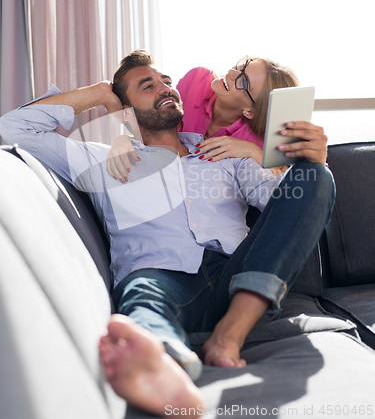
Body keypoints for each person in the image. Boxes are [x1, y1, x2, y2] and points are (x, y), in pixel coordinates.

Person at [0, 49, 334, 417]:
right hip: (159, 277)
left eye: (167, 82)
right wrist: (98, 93)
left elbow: (285, 207)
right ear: (124, 106)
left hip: (234, 278)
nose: (165, 88)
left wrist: (302, 160)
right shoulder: (99, 160)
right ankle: (165, 363)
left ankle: (230, 335)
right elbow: (12, 129)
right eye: (147, 85)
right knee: (143, 300)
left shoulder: (223, 154)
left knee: (315, 176)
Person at [106, 56, 318, 182]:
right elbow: (155, 123)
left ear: (249, 112)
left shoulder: (256, 139)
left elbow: (288, 185)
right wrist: (126, 139)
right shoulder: (196, 81)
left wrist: (254, 152)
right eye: (242, 65)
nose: (232, 72)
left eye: (243, 81)